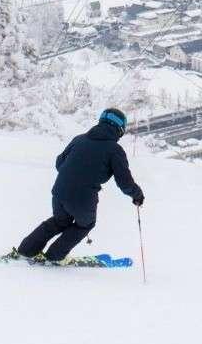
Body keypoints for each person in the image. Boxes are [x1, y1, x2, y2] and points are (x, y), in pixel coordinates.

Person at [15, 108, 145, 263]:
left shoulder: (79, 139)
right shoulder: (115, 150)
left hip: (59, 192)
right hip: (83, 197)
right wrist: (137, 195)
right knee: (85, 224)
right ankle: (53, 257)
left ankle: (25, 251)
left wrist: (75, 171)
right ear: (120, 129)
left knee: (59, 221)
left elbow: (59, 163)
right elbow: (124, 182)